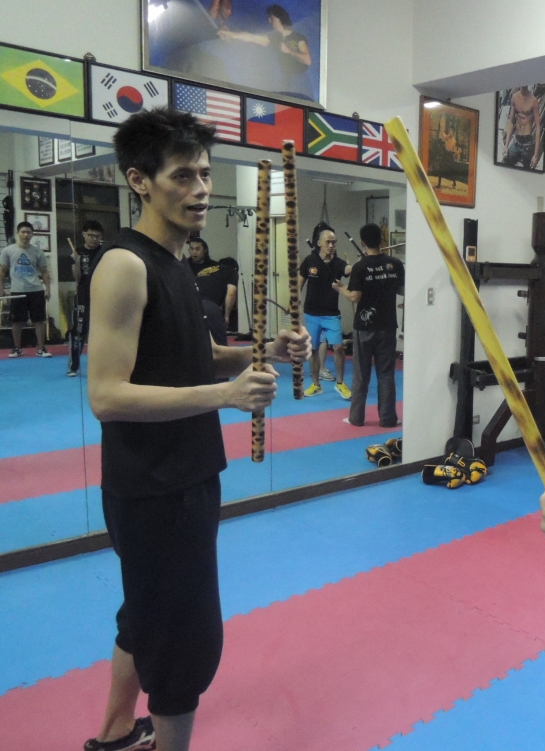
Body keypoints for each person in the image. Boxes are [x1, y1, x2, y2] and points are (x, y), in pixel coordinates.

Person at [84, 107, 309, 751]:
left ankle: (115, 732)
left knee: (145, 611)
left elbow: (192, 354)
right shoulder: (125, 265)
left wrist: (263, 352)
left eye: (205, 174)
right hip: (154, 486)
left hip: (187, 473)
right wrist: (226, 396)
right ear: (139, 180)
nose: (201, 189)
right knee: (184, 638)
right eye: (182, 176)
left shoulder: (175, 261)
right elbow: (106, 395)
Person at [336, 223, 403, 427]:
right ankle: (388, 418)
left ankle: (356, 418)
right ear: (382, 239)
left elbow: (355, 297)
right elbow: (402, 290)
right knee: (386, 374)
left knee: (361, 374)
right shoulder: (395, 263)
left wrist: (341, 289)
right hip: (387, 326)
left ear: (362, 242)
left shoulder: (360, 266)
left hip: (364, 328)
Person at [300, 222, 352, 398]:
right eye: (328, 242)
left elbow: (348, 270)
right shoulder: (310, 261)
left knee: (338, 347)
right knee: (313, 350)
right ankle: (316, 385)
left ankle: (340, 383)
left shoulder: (338, 263)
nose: (331, 245)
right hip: (312, 313)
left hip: (331, 314)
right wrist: (292, 302)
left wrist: (362, 265)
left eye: (334, 242)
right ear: (319, 243)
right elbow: (299, 283)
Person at [217, 4, 311, 95]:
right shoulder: (274, 37)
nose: (269, 21)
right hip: (286, 81)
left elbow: (307, 60)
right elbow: (252, 37)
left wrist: (289, 51)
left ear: (279, 18)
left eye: (271, 18)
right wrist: (230, 34)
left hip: (300, 81)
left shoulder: (296, 36)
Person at [0, 221, 52, 358]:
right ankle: (17, 348)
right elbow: (2, 270)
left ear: (32, 234)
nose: (25, 235)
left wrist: (48, 289)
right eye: (23, 232)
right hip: (17, 291)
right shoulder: (8, 251)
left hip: (36, 290)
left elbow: (44, 272)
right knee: (17, 321)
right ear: (18, 233)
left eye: (28, 232)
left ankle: (41, 348)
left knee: (39, 320)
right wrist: (1, 287)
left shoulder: (38, 252)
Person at [67, 220, 104, 376]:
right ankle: (73, 366)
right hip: (83, 297)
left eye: (97, 236)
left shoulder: (105, 252)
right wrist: (76, 262)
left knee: (104, 332)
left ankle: (104, 368)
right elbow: (77, 278)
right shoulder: (78, 251)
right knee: (79, 331)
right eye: (91, 235)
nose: (94, 239)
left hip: (103, 296)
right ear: (84, 234)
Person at [186, 237, 237, 345]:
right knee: (220, 346)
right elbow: (231, 293)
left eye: (197, 249)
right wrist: (226, 317)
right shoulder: (185, 266)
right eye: (191, 249)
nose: (194, 252)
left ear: (205, 250)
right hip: (207, 306)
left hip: (188, 304)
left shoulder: (210, 267)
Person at [503, 86, 543, 169]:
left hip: (527, 143)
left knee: (527, 169)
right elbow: (511, 122)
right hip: (517, 141)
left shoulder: (533, 100)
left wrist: (536, 155)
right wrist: (506, 146)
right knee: (505, 163)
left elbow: (538, 127)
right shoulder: (514, 97)